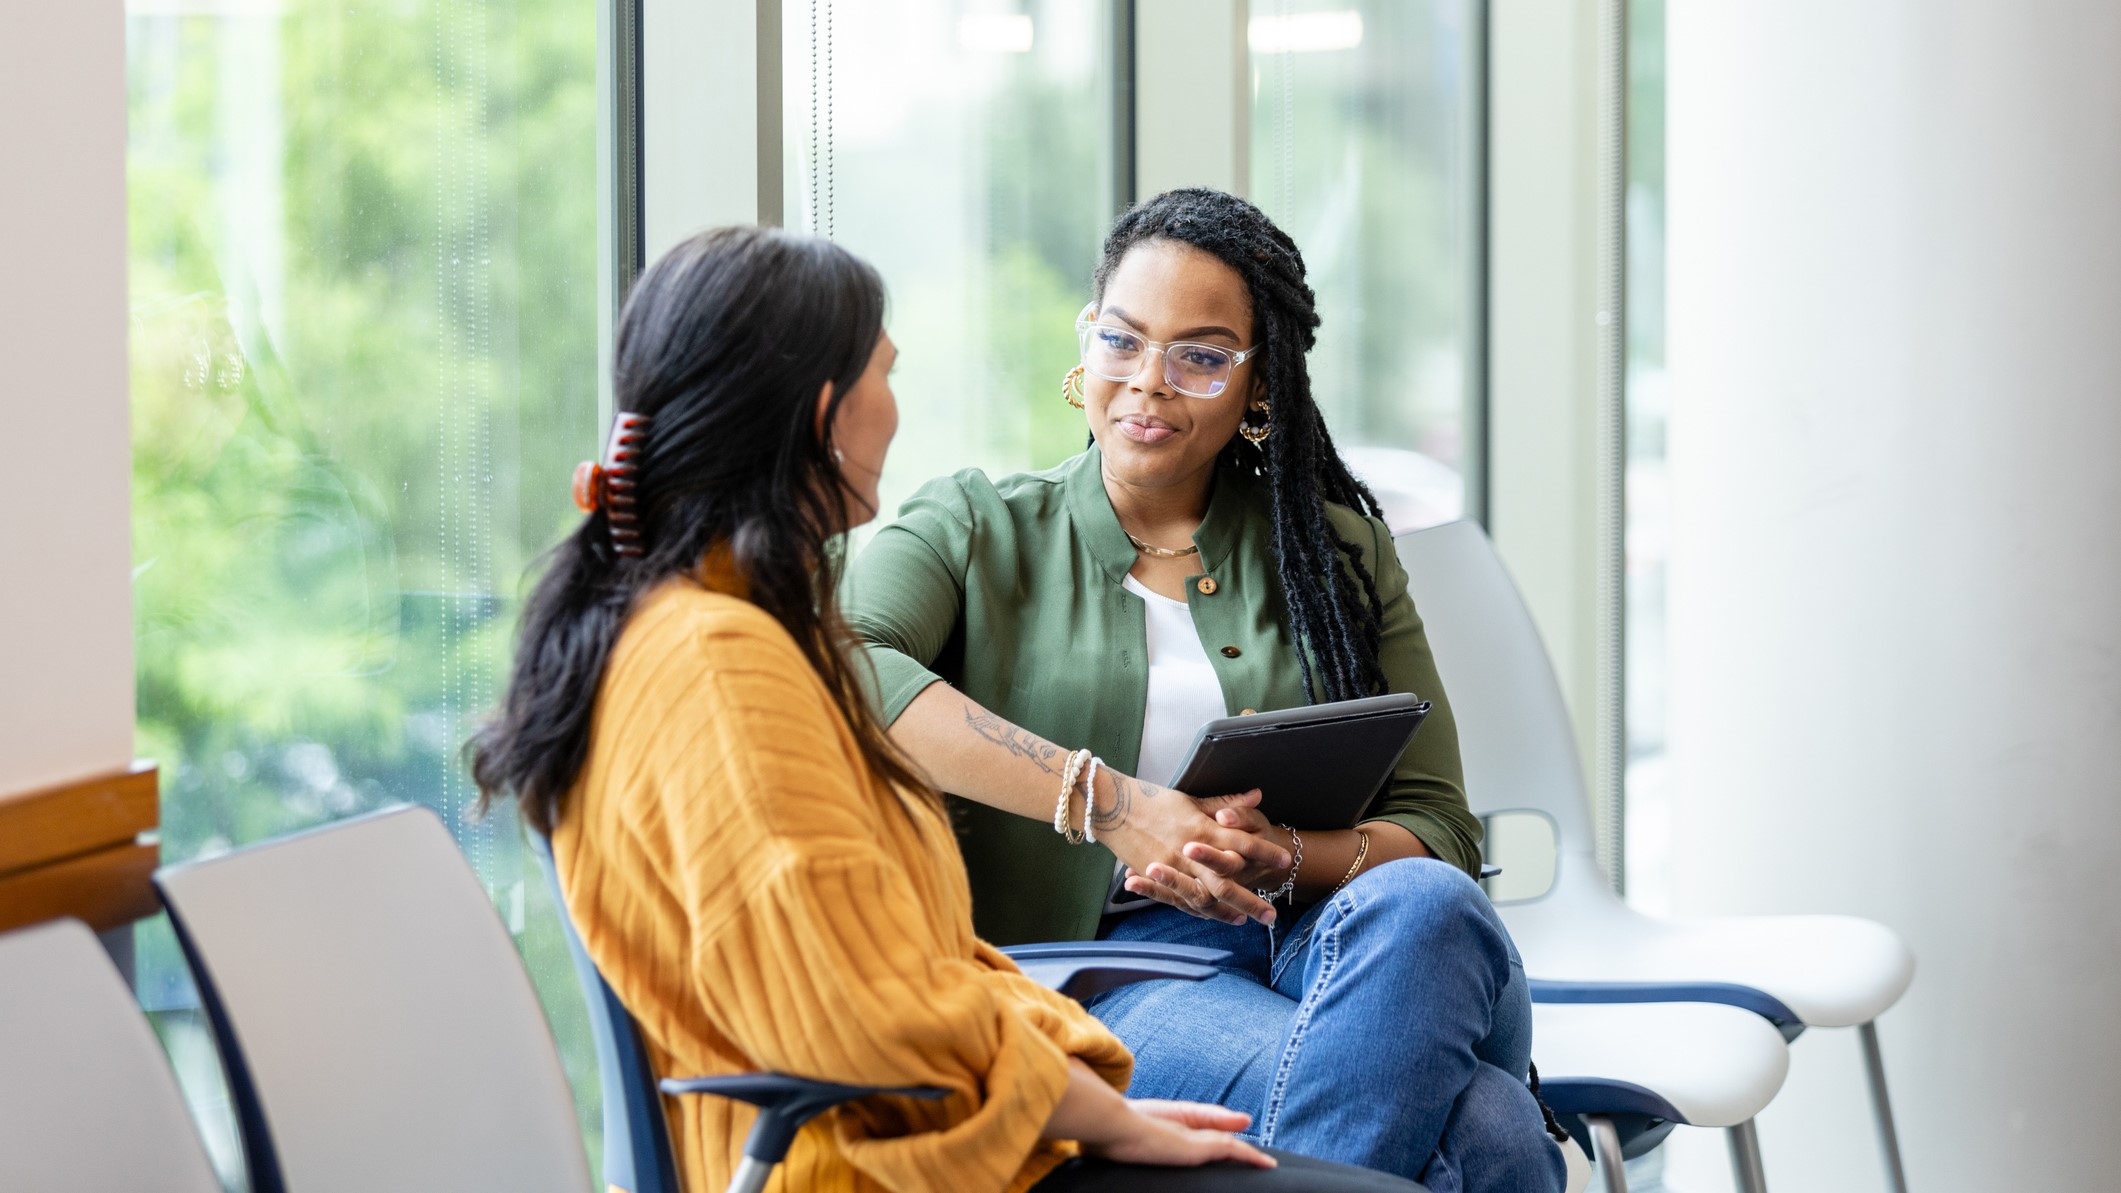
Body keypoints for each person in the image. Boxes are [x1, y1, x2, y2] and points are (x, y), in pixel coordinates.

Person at [466, 226, 1426, 1193]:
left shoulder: (715, 635)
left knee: (1442, 955)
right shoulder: (721, 663)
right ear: (823, 413)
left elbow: (889, 968)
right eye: (883, 371)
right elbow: (854, 1012)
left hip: (957, 1121)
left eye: (1201, 355)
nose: (897, 404)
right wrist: (1089, 1106)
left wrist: (1085, 1096)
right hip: (898, 1162)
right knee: (1461, 1140)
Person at [843, 189, 1568, 1192]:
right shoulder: (974, 527)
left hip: (1330, 942)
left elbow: (1442, 826)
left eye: (1201, 355)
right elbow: (844, 666)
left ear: (1257, 382)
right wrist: (1120, 806)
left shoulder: (1338, 553)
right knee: (1490, 1126)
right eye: (1123, 340)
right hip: (1107, 971)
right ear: (1084, 344)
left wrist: (1282, 859)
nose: (1149, 383)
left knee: (1432, 903)